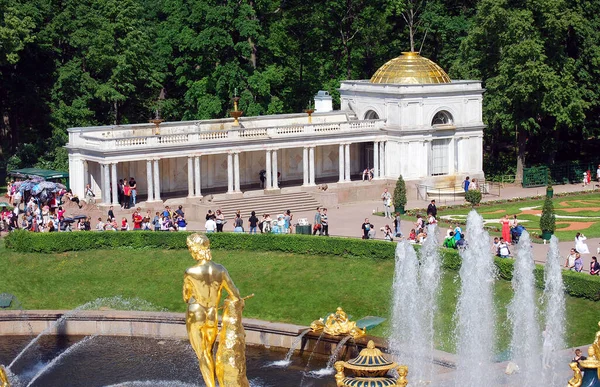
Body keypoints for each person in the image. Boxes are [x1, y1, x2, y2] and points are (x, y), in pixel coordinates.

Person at [183, 233, 247, 387]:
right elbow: (235, 294)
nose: (190, 252)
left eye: (190, 248)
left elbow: (186, 297)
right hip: (212, 314)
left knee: (203, 354)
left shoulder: (190, 272)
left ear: (196, 249)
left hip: (196, 313)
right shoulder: (220, 269)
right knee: (209, 351)